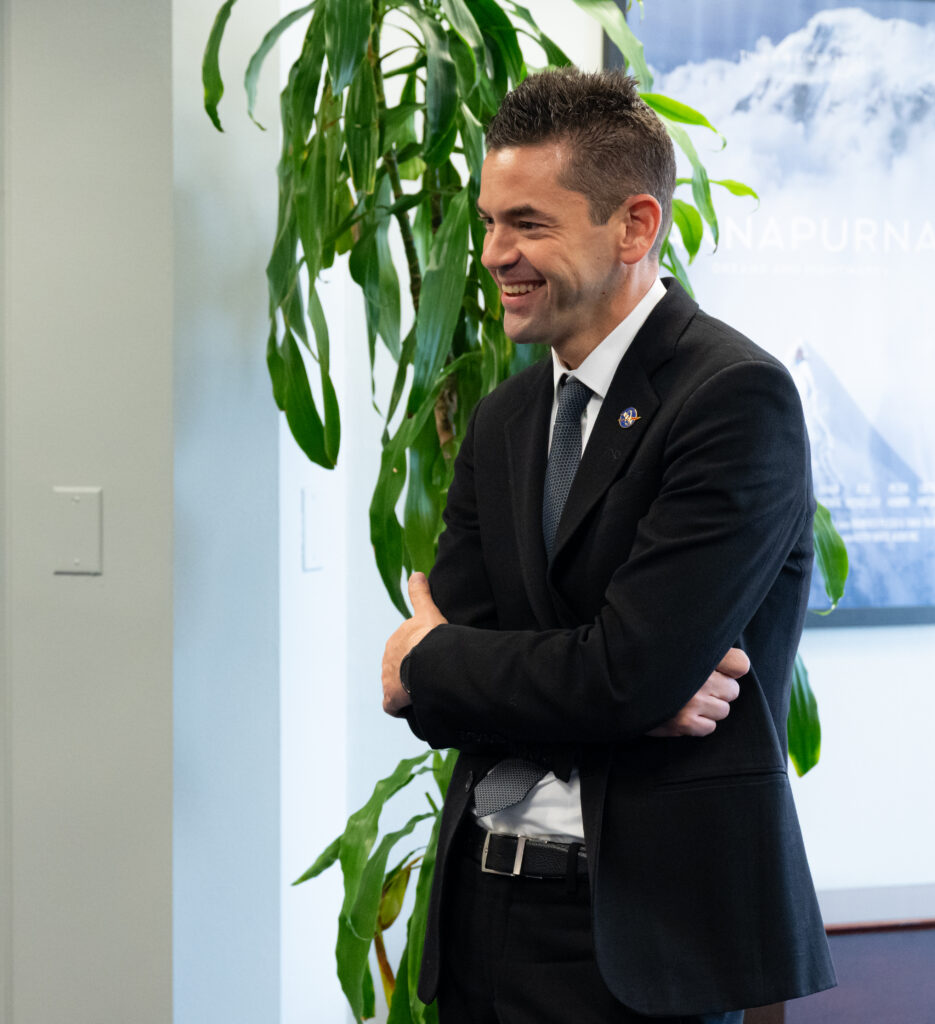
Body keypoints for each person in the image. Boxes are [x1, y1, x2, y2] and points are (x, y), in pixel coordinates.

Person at [379, 69, 835, 1023]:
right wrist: (602, 693)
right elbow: (433, 699)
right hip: (481, 918)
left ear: (634, 227)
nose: (495, 253)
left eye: (530, 224)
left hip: (636, 943)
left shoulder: (733, 399)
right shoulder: (507, 418)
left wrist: (449, 662)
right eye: (490, 221)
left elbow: (620, 672)